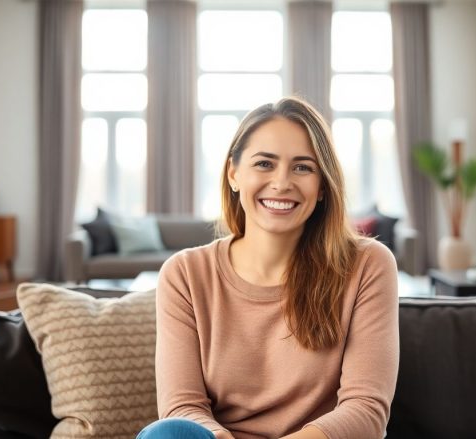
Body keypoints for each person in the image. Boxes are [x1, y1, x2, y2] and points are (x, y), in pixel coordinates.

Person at [137, 97, 399, 439]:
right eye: (264, 163)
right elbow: (182, 407)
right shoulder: (184, 274)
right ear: (234, 174)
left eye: (302, 167)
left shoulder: (368, 265)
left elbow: (365, 410)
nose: (282, 182)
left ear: (322, 186)